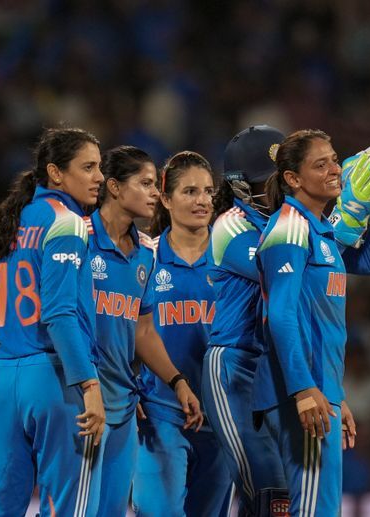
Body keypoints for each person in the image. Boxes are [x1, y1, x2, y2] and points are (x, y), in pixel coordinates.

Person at [254, 129, 370, 516]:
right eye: (321, 165)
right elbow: (280, 314)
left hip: (320, 388)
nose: (335, 169)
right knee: (313, 509)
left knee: (322, 508)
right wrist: (304, 389)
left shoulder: (319, 229)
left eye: (334, 159)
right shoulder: (290, 229)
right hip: (298, 391)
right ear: (293, 178)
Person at [0, 127, 106, 517]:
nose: (99, 177)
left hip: (6, 379)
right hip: (54, 378)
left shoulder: (13, 220)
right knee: (66, 506)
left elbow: (16, 318)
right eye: (88, 167)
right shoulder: (67, 222)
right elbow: (59, 313)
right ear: (56, 173)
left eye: (99, 167)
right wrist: (90, 385)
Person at [86, 145, 203, 516]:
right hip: (81, 402)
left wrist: (177, 381)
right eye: (147, 183)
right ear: (115, 187)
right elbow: (52, 318)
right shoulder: (78, 238)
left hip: (123, 405)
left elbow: (143, 330)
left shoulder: (145, 254)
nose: (155, 192)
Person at [132, 150, 232, 516]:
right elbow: (123, 328)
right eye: (190, 191)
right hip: (161, 412)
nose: (202, 200)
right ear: (166, 198)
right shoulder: (146, 257)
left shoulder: (234, 257)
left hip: (222, 415)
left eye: (207, 191)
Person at [200, 125, 290, 517]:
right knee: (266, 487)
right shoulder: (230, 225)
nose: (281, 188)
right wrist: (341, 223)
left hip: (276, 369)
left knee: (282, 494)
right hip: (234, 368)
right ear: (241, 186)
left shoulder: (289, 222)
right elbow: (281, 271)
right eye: (269, 181)